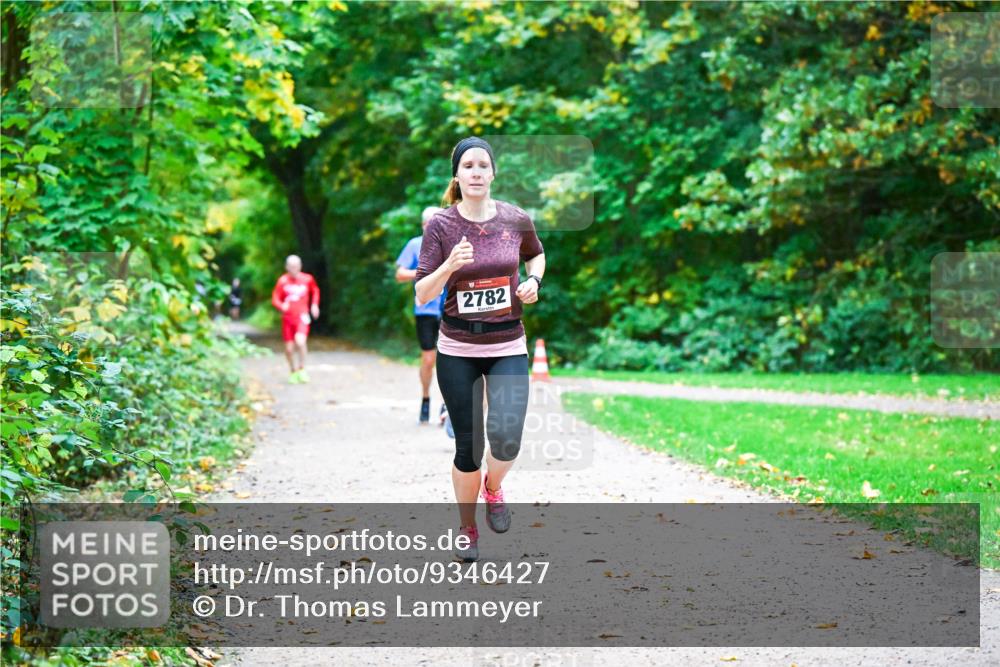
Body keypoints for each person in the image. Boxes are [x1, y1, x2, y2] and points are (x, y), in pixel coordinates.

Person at [415, 137, 545, 562]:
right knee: (468, 448)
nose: (475, 172)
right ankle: (467, 527)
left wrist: (533, 283)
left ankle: (494, 489)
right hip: (457, 346)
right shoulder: (440, 225)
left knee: (507, 440)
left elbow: (536, 256)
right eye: (467, 165)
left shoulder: (515, 218)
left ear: (493, 173)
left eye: (482, 165)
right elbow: (421, 293)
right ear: (457, 175)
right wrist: (450, 265)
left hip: (508, 341)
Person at [395, 206, 448, 425]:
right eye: (430, 223)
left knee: (450, 359)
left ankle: (446, 406)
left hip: (449, 308)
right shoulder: (415, 244)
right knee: (428, 359)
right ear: (424, 225)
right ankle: (426, 398)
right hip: (425, 309)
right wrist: (424, 273)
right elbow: (399, 274)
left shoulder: (449, 244)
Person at [271, 255, 320, 384]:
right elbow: (275, 298)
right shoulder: (282, 281)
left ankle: (302, 368)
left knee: (300, 341)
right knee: (289, 349)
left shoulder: (307, 279)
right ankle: (293, 371)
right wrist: (282, 306)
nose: (294, 269)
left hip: (302, 317)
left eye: (297, 266)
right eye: (291, 266)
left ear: (300, 266)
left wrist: (314, 305)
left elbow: (315, 291)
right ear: (287, 267)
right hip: (287, 319)